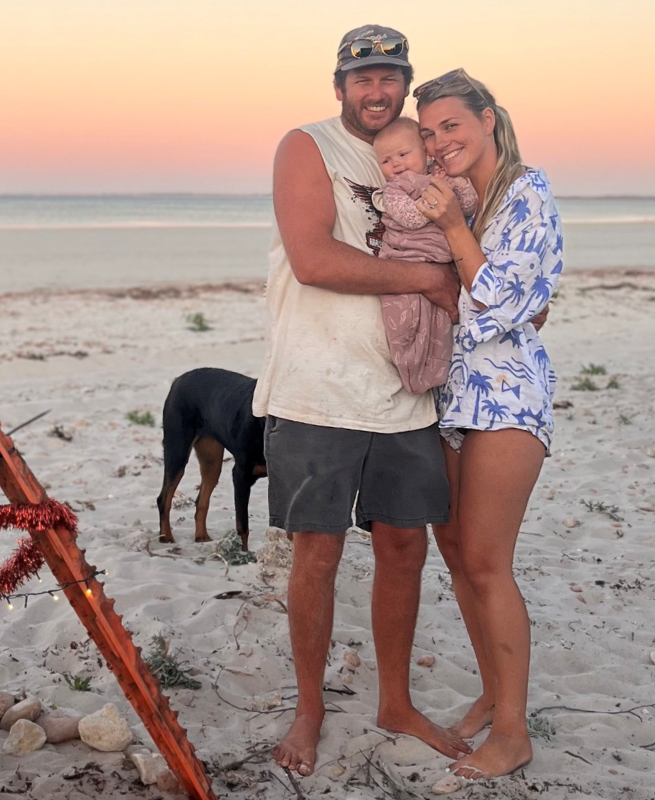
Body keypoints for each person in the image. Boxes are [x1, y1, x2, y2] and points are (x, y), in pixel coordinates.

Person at [252, 26, 470, 776]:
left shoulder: (418, 148)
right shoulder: (305, 146)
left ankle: (397, 701)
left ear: (405, 83)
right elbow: (312, 259)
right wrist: (427, 281)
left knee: (405, 547)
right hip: (318, 388)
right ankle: (309, 708)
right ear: (339, 85)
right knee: (317, 552)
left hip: (405, 390)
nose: (376, 91)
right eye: (362, 78)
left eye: (389, 77)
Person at [414, 69, 563, 779]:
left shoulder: (528, 191)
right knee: (457, 554)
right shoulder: (470, 202)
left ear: (489, 120)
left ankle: (514, 732)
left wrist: (448, 227)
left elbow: (500, 304)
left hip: (506, 397)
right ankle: (494, 694)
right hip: (452, 398)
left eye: (452, 126)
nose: (440, 142)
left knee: (486, 562)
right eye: (430, 132)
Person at [372, 117, 478, 393]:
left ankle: (434, 379)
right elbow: (410, 219)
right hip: (406, 263)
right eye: (385, 160)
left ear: (425, 151)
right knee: (405, 325)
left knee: (440, 325)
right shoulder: (395, 188)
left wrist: (456, 184)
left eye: (403, 155)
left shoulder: (441, 174)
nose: (395, 164)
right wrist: (436, 193)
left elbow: (468, 205)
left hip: (442, 263)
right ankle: (410, 373)